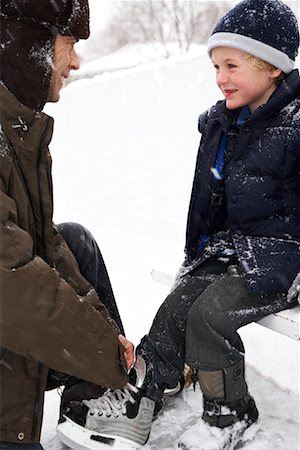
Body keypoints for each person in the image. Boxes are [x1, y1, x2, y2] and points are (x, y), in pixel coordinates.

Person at [58, 0, 300, 449]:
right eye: (215, 66)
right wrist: (198, 255)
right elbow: (209, 199)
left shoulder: (295, 124)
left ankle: (228, 417)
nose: (220, 77)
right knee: (177, 307)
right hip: (231, 250)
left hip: (281, 260)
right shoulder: (223, 124)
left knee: (209, 317)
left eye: (232, 65)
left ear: (273, 67)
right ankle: (148, 390)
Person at [0, 1, 135, 449]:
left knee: (73, 241)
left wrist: (105, 335)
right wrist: (107, 356)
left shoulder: (16, 129)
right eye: (70, 43)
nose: (76, 61)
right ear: (30, 42)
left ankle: (92, 403)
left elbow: (45, 243)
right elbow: (11, 281)